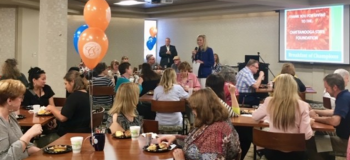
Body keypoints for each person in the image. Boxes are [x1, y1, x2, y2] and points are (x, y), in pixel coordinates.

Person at [157, 88, 240, 160]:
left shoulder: (216, 133)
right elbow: (198, 142)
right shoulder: (213, 121)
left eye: (194, 109)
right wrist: (175, 138)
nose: (193, 112)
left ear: (203, 109)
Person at [252, 74, 313, 160]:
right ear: (294, 87)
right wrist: (309, 123)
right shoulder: (303, 105)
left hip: (272, 152)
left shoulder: (269, 101)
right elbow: (306, 136)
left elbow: (255, 117)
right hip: (296, 154)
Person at [308, 73, 350, 160]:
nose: (326, 91)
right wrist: (314, 110)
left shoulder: (343, 98)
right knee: (320, 133)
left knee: (311, 142)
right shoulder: (345, 96)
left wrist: (315, 118)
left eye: (327, 88)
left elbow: (335, 121)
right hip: (344, 135)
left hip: (346, 141)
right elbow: (334, 112)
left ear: (335, 87)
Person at [0, 79, 42, 159]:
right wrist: (28, 135)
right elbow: (5, 158)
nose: (22, 100)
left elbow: (24, 147)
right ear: (9, 101)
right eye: (20, 97)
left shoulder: (11, 115)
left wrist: (43, 153)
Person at [46, 71, 91, 136]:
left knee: (41, 141)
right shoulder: (87, 95)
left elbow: (62, 117)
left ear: (72, 82)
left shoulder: (74, 97)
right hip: (84, 133)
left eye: (66, 83)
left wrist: (51, 108)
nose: (65, 87)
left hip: (69, 135)